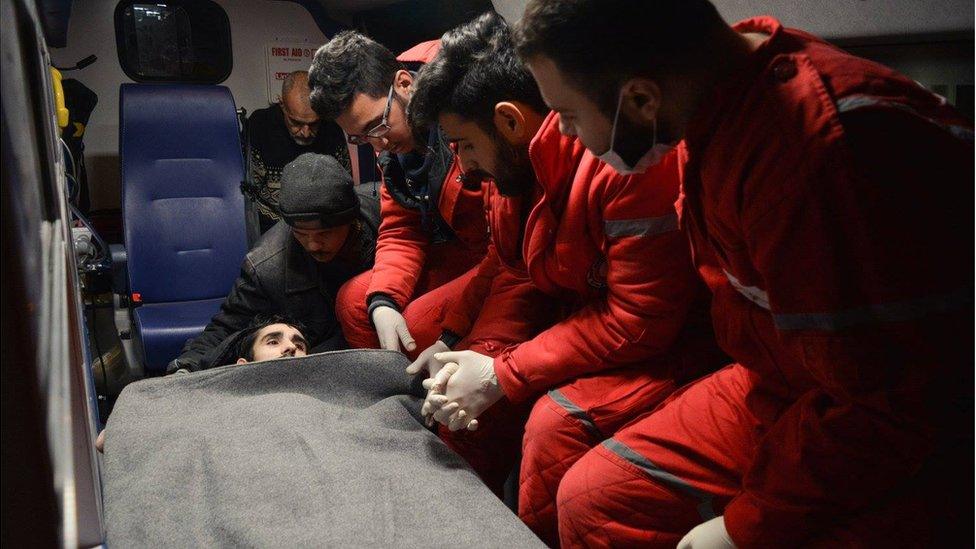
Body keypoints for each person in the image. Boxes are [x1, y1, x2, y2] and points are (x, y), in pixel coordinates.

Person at [513, 1, 974, 547]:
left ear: (640, 99)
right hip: (786, 373)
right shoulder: (715, 106)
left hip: (906, 418)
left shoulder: (816, 160)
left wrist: (746, 526)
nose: (563, 132)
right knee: (597, 499)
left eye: (565, 113)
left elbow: (894, 403)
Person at [409, 12, 721, 543]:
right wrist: (462, 344)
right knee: (454, 394)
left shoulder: (626, 163)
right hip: (590, 319)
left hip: (674, 339)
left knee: (554, 425)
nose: (461, 169)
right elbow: (513, 269)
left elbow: (640, 319)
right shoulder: (509, 173)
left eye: (463, 145)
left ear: (509, 122)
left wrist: (502, 373)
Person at [308, 32, 489, 358]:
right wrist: (384, 301)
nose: (378, 144)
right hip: (458, 252)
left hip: (502, 256)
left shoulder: (466, 108)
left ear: (404, 84)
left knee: (417, 324)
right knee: (354, 302)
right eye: (362, 137)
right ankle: (392, 396)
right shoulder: (395, 148)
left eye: (377, 125)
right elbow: (402, 230)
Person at [168, 153, 380, 373]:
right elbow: (226, 327)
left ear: (351, 220)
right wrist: (184, 370)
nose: (313, 245)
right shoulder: (266, 266)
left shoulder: (386, 217)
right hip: (327, 369)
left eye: (325, 233)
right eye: (301, 233)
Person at [98, 315, 310, 452]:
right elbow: (109, 440)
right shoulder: (214, 408)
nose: (291, 347)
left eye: (299, 345)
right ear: (242, 365)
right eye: (273, 342)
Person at [246, 71, 352, 233]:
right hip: (272, 225)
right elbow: (251, 193)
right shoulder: (260, 126)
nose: (306, 132)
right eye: (296, 123)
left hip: (323, 226)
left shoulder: (331, 129)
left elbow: (343, 189)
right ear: (282, 105)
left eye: (313, 124)